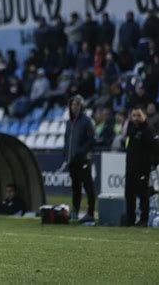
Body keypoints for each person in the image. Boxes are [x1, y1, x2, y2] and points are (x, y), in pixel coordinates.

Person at [63, 95, 96, 223]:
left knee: (88, 186)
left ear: (82, 106)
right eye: (72, 104)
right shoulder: (68, 122)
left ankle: (91, 213)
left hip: (83, 160)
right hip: (72, 161)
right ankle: (75, 212)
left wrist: (81, 152)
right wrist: (66, 154)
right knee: (75, 187)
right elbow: (67, 140)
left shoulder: (87, 121)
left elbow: (91, 141)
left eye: (77, 104)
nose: (74, 107)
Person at [124, 107, 154, 227]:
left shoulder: (147, 130)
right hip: (130, 167)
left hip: (142, 168)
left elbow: (152, 147)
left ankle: (143, 220)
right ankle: (130, 219)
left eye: (138, 115)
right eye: (134, 115)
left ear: (144, 116)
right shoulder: (131, 129)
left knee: (142, 195)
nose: (136, 118)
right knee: (129, 194)